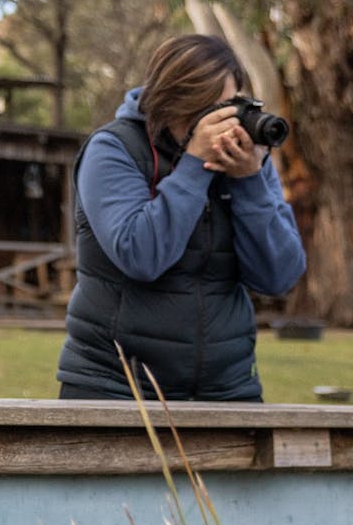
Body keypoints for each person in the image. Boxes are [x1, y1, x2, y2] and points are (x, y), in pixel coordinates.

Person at [57, 34, 304, 401]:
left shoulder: (245, 159)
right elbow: (141, 255)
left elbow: (279, 276)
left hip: (227, 389)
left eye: (229, 107)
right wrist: (193, 167)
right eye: (206, 110)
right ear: (170, 101)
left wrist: (249, 183)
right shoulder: (112, 148)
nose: (222, 124)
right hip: (116, 388)